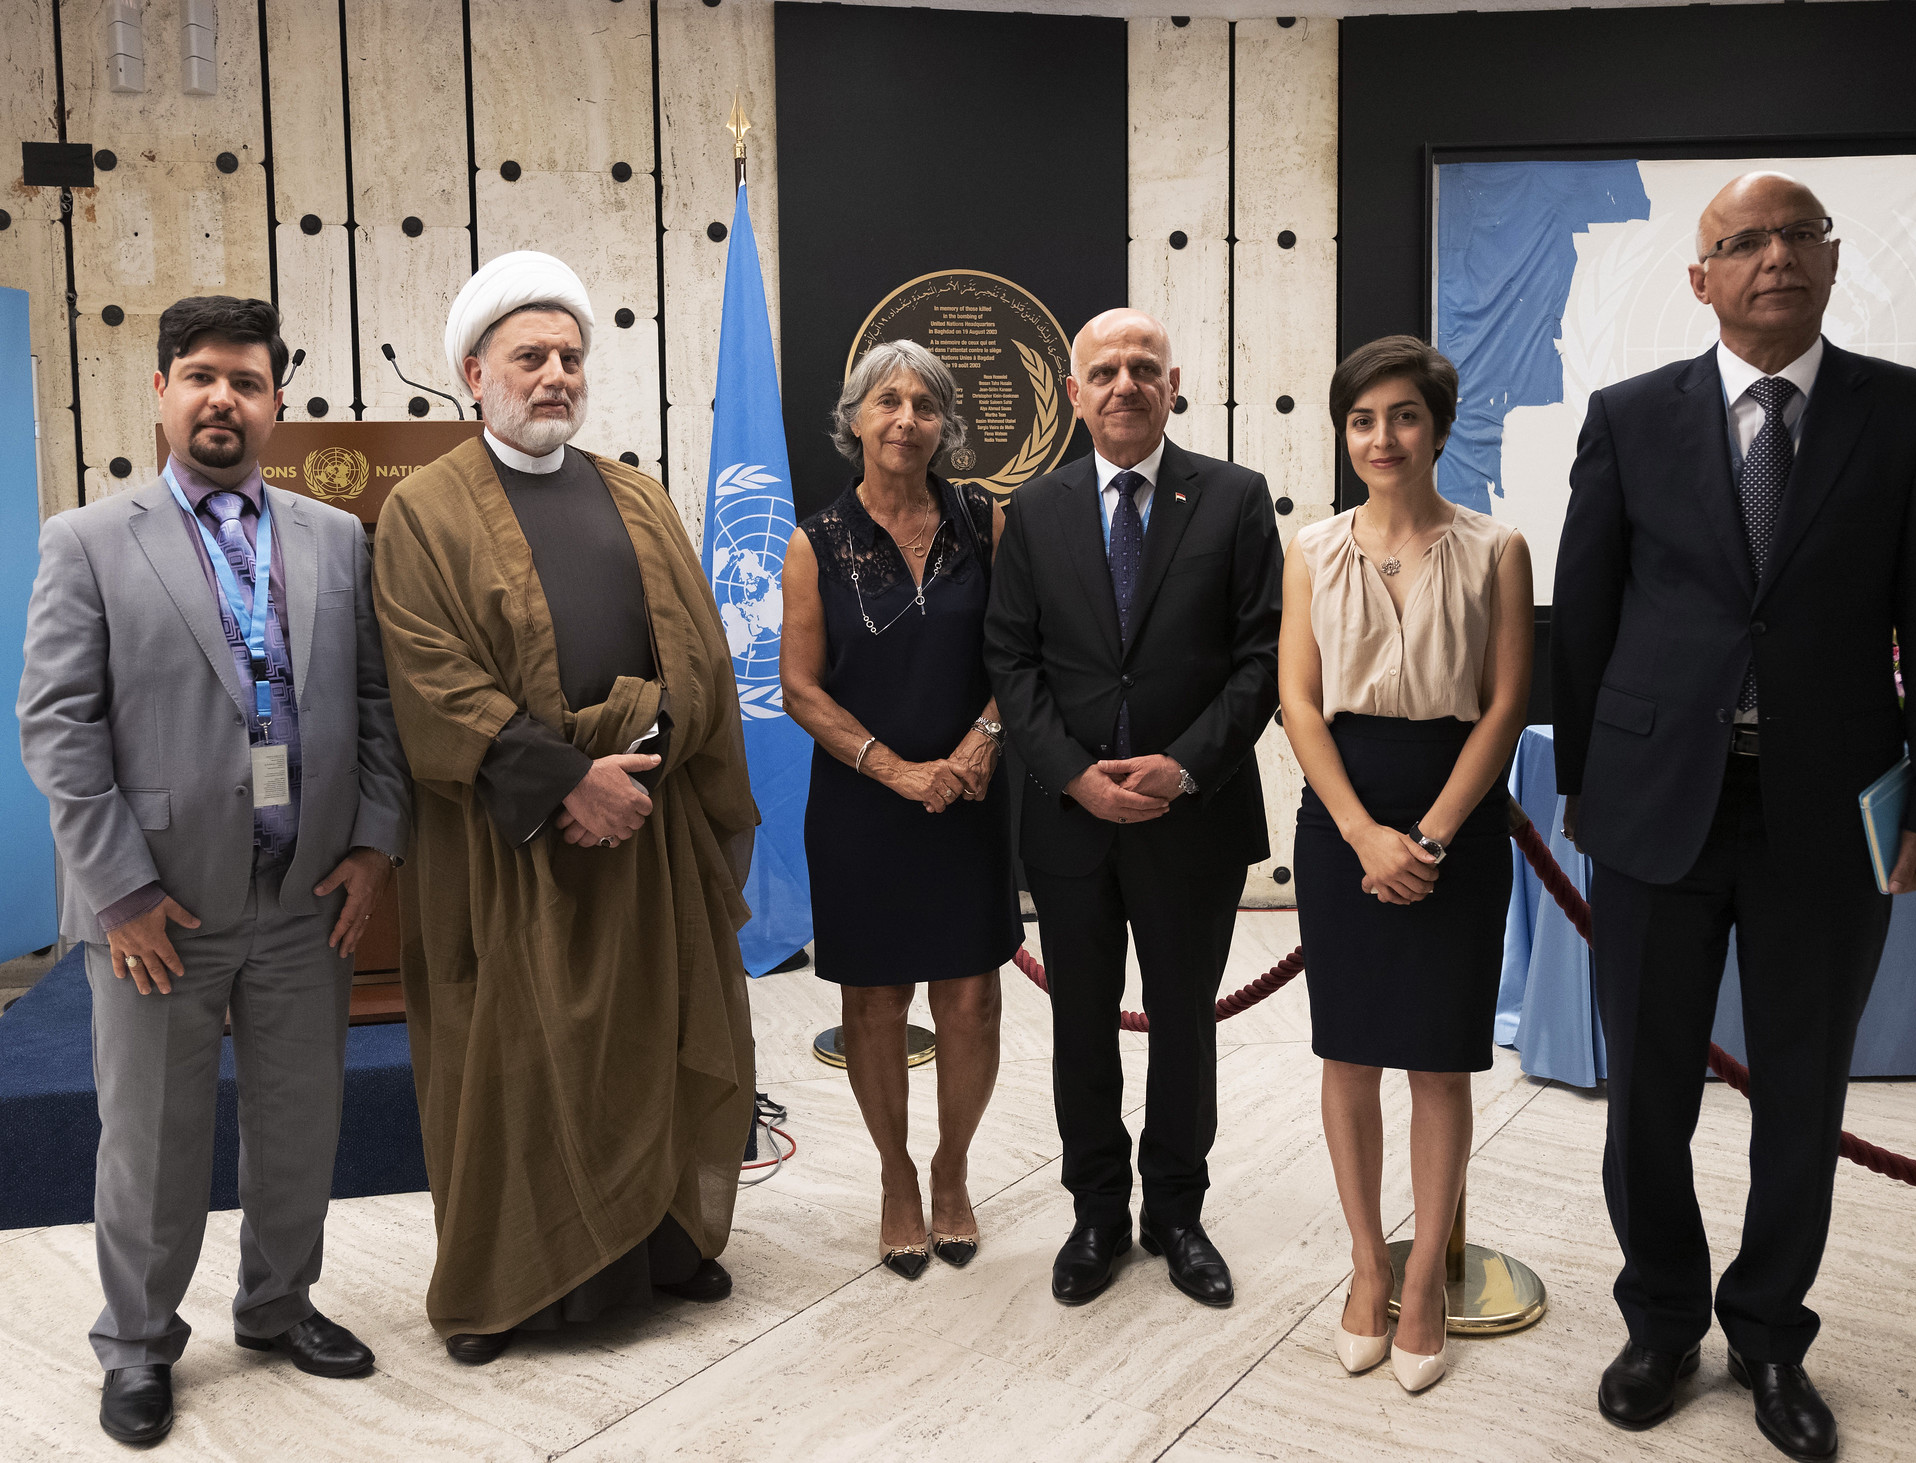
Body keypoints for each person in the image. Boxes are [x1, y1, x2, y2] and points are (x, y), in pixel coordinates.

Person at [1553, 173, 1916, 1460]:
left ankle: (1764, 1332)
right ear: (1700, 280)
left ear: (1831, 258)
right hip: (1652, 809)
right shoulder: (1629, 419)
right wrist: (1585, 785)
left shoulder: (1908, 416)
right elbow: (1585, 618)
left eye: (1796, 234)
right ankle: (1660, 1319)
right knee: (1646, 1092)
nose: (1772, 257)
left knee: (1800, 1090)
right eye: (1740, 241)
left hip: (1828, 811)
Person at [16, 296, 410, 1444]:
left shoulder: (335, 536)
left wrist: (376, 843)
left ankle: (279, 1305)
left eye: (245, 379)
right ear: (161, 390)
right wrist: (121, 892)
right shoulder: (87, 539)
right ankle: (138, 1343)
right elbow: (57, 727)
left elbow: (377, 706)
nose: (221, 398)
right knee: (150, 1140)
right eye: (199, 375)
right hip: (158, 910)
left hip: (305, 898)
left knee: (300, 1121)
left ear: (278, 400)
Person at [371, 252, 759, 1364]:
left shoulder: (632, 494)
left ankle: (661, 1244)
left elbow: (701, 655)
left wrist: (636, 756)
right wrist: (566, 781)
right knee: (513, 1061)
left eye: (570, 357)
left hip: (642, 832)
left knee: (648, 1033)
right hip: (509, 843)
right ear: (472, 371)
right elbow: (432, 678)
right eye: (529, 356)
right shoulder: (423, 511)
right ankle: (513, 1282)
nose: (554, 376)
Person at [985, 308, 1282, 1308]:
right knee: (1078, 1024)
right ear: (1074, 393)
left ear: (1172, 381)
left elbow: (1260, 659)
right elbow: (1011, 661)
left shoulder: (1233, 499)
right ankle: (1097, 1212)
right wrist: (1073, 773)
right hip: (1069, 822)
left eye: (1142, 367)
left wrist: (1183, 764)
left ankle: (1176, 1212)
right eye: (1103, 370)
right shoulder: (1033, 510)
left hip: (1190, 817)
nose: (1124, 383)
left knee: (1184, 1023)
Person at [1280, 336, 1533, 1393]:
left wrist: (1424, 837)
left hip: (1454, 815)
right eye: (1361, 419)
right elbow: (1295, 700)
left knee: (1435, 1060)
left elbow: (1508, 701)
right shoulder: (1309, 546)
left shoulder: (1495, 548)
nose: (1380, 438)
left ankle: (1424, 1274)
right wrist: (1360, 834)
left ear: (1437, 425)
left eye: (1401, 416)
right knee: (1347, 1056)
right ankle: (1362, 1262)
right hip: (1342, 812)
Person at [781, 340, 1022, 1279]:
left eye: (926, 403)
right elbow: (800, 688)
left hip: (969, 797)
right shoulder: (815, 540)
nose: (907, 419)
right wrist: (895, 770)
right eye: (888, 401)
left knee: (971, 999)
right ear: (853, 420)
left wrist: (978, 746)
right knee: (876, 1002)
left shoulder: (988, 523)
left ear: (946, 425)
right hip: (862, 808)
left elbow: (1020, 658)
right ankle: (895, 1178)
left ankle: (953, 1169)